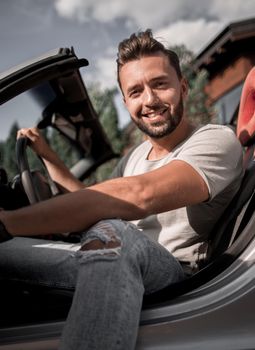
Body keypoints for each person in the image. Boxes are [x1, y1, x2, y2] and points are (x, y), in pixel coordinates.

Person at [0, 29, 243, 349]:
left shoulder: (216, 140)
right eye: (136, 91)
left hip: (172, 275)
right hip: (113, 255)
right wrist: (48, 156)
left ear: (182, 87)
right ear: (126, 101)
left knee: (113, 231)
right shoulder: (135, 156)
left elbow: (138, 195)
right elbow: (95, 199)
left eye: (160, 84)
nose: (150, 100)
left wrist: (9, 222)